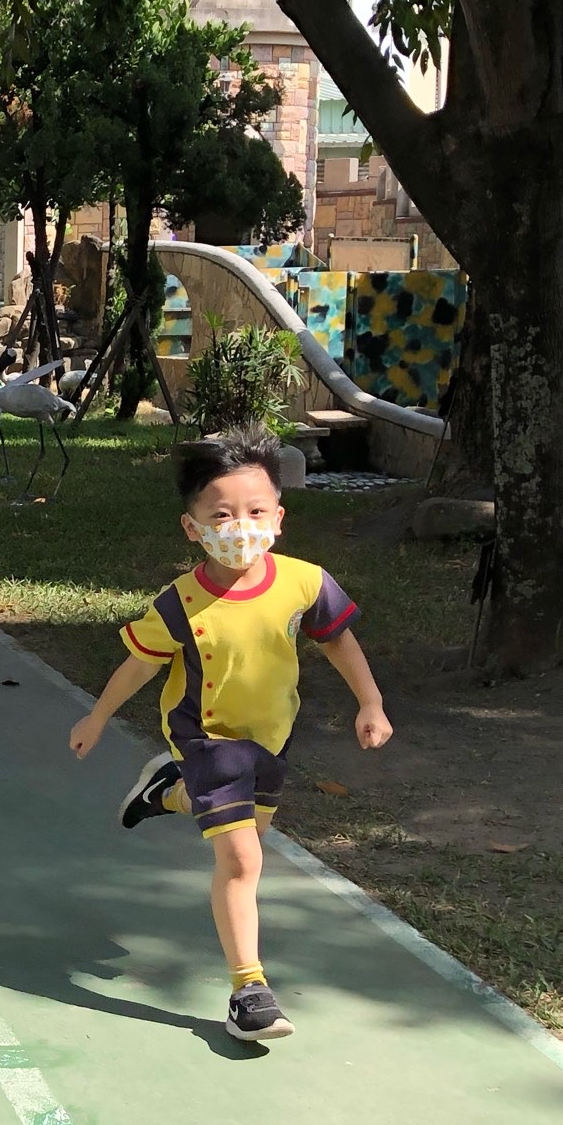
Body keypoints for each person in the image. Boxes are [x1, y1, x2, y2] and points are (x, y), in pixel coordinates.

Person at [68, 428, 391, 1042]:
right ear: (192, 528)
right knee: (243, 859)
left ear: (279, 518)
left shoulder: (305, 582)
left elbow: (337, 640)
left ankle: (170, 792)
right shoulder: (179, 603)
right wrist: (98, 716)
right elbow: (140, 665)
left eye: (256, 511)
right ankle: (249, 991)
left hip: (272, 735)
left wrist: (370, 701)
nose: (240, 526)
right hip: (205, 736)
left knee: (249, 837)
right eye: (221, 515)